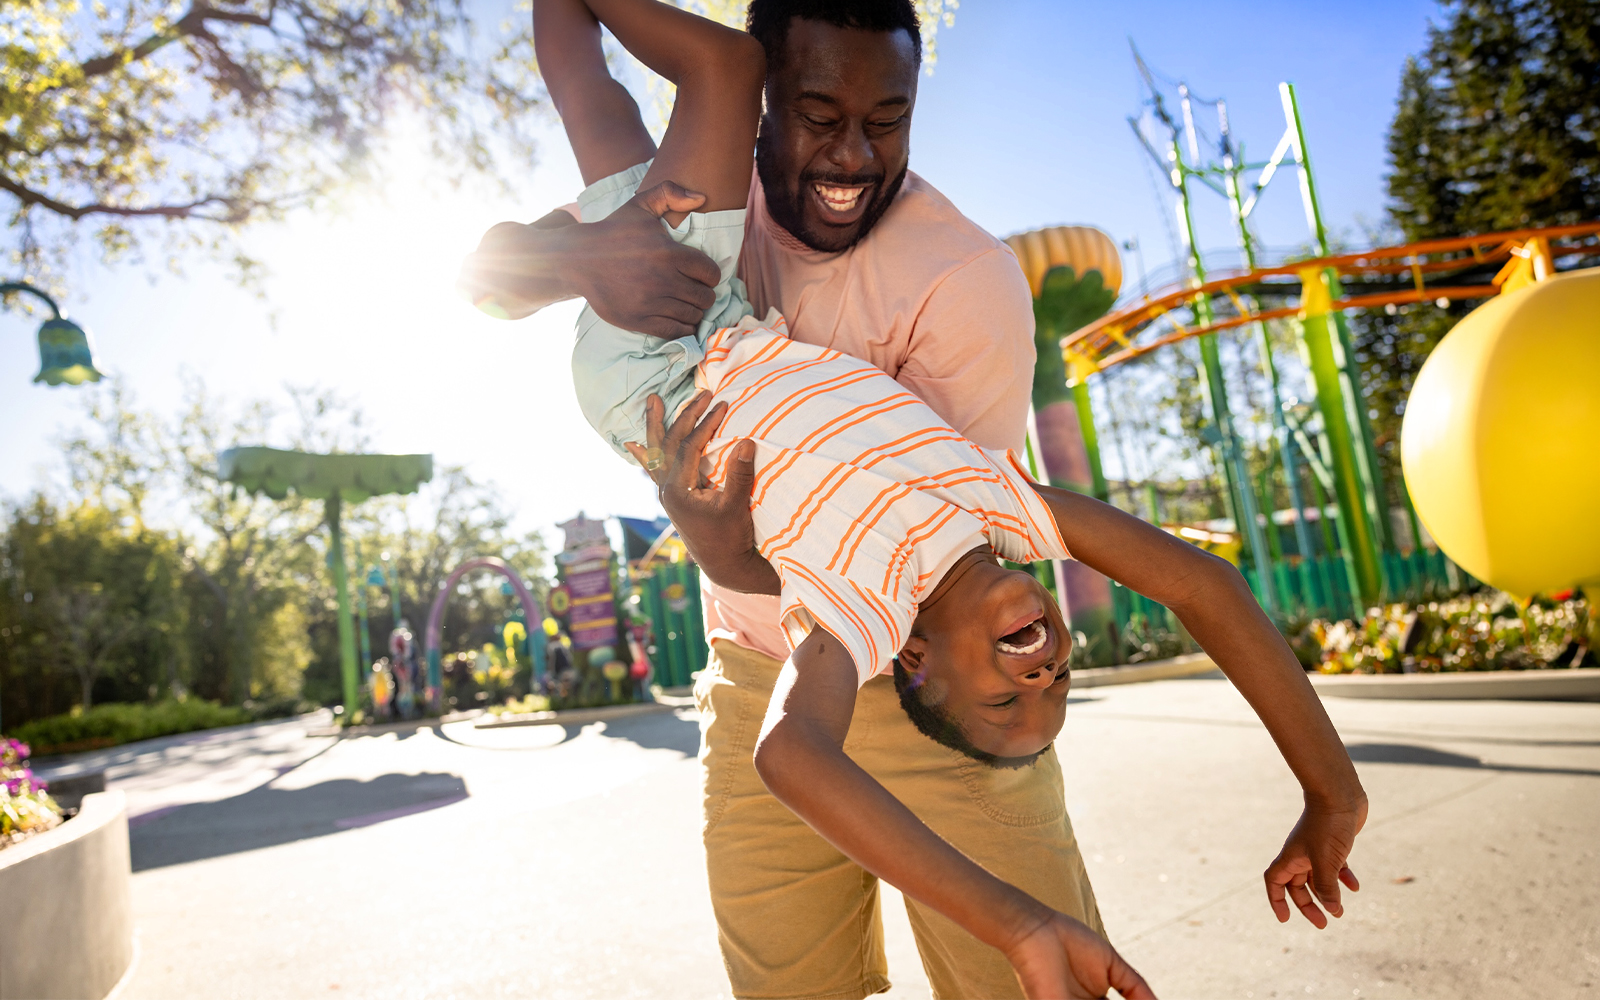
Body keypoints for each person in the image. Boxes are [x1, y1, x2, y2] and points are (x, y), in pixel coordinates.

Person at [462, 4, 1368, 997]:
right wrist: (1330, 788)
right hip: (715, 338)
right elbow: (1198, 582)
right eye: (819, 113)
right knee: (596, 95)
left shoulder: (875, 589)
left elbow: (796, 754)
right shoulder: (1002, 507)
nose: (1042, 676)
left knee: (1020, 974)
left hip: (665, 401)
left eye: (886, 122)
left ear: (922, 659)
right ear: (770, 101)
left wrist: (1019, 924)